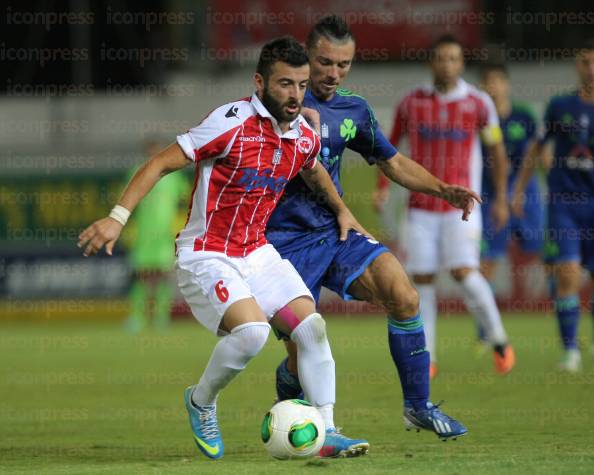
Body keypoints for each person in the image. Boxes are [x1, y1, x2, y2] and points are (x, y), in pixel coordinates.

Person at [78, 37, 368, 460]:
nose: (295, 95)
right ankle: (201, 401)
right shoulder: (229, 123)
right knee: (251, 333)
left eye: (302, 85)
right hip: (206, 252)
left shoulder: (301, 135)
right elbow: (160, 162)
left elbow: (313, 167)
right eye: (285, 84)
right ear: (260, 82)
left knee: (312, 328)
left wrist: (342, 210)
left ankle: (326, 430)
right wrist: (117, 217)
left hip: (257, 252)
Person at [267, 17, 478, 448]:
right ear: (306, 57)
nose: (333, 73)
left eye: (343, 65)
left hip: (334, 230)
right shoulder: (274, 105)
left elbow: (393, 162)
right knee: (301, 347)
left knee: (403, 293)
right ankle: (292, 389)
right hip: (278, 243)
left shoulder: (354, 110)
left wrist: (442, 189)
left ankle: (417, 405)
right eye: (324, 62)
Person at [377, 34, 516, 379]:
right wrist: (382, 186)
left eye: (454, 58)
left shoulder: (479, 103)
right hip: (420, 206)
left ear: (462, 63)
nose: (447, 64)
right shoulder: (411, 103)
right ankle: (430, 357)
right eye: (441, 58)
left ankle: (499, 339)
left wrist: (500, 196)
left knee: (463, 273)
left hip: (461, 206)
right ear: (431, 62)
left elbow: (496, 152)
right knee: (422, 281)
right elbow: (388, 148)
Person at [511, 39, 594, 373]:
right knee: (568, 275)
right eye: (584, 61)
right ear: (577, 65)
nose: (590, 68)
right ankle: (571, 350)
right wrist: (519, 191)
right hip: (565, 204)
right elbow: (536, 149)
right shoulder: (560, 106)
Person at [474, 64, 544, 346]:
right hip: (489, 197)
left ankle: (567, 329)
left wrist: (519, 191)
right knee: (486, 263)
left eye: (498, 82)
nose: (493, 87)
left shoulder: (523, 116)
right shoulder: (477, 121)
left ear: (507, 85)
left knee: (552, 258)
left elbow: (534, 154)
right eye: (488, 82)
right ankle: (485, 333)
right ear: (482, 87)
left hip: (527, 193)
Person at [124, 139, 190, 333]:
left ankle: (161, 317)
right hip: (144, 235)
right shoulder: (137, 172)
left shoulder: (173, 177)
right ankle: (137, 318)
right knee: (142, 277)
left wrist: (179, 226)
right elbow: (127, 200)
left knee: (163, 277)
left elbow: (185, 200)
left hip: (164, 235)